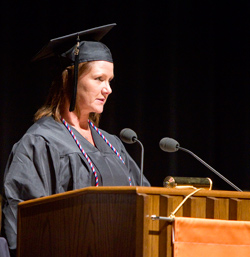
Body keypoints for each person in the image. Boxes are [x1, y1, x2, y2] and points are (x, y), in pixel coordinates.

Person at [1, 23, 150, 256]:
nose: (108, 89)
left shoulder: (112, 143)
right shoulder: (39, 142)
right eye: (99, 78)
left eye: (110, 80)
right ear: (69, 81)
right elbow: (25, 222)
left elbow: (147, 202)